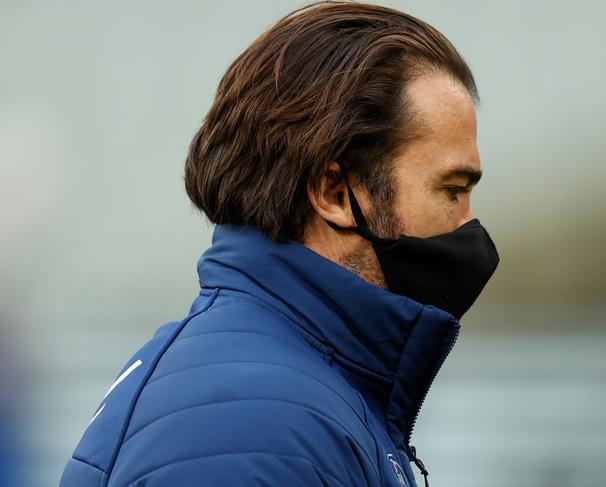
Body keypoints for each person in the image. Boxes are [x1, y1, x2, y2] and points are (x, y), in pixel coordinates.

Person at [59, 1, 499, 486]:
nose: (468, 224)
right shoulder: (247, 426)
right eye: (451, 190)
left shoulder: (298, 395)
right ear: (335, 193)